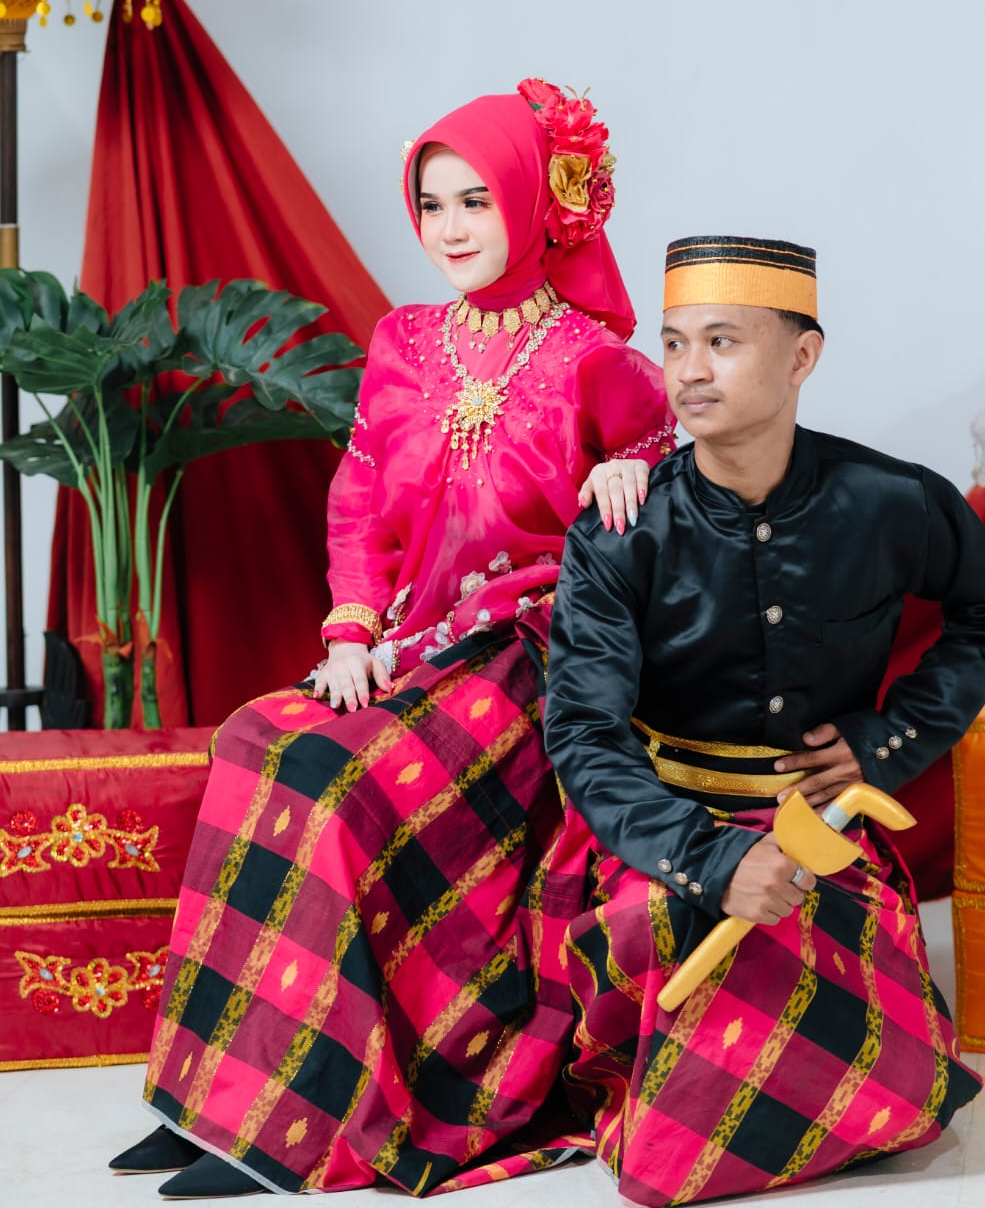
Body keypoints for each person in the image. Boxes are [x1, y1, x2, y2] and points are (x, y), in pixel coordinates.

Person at [111, 81, 674, 1199]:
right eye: (432, 204)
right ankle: (213, 1097)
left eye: (477, 200)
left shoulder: (593, 356)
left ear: (534, 202)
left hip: (530, 656)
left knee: (335, 780)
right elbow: (360, 501)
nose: (451, 228)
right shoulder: (404, 341)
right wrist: (350, 631)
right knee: (252, 741)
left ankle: (297, 1116)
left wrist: (635, 469)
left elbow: (683, 459)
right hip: (410, 641)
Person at [544, 233, 985, 1206]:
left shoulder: (892, 502)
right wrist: (710, 859)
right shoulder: (620, 531)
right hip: (663, 824)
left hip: (824, 824)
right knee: (665, 929)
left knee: (889, 1063)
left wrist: (887, 741)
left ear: (802, 356)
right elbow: (585, 734)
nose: (689, 370)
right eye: (674, 343)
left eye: (721, 341)